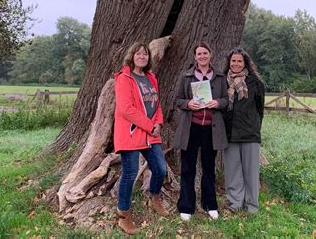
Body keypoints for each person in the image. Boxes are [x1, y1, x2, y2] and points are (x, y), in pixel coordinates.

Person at [114, 42, 168, 235]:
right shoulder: (124, 78)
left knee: (160, 169)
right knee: (130, 173)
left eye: (145, 54)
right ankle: (124, 216)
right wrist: (148, 125)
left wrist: (159, 123)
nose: (142, 57)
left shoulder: (151, 78)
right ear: (132, 56)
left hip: (151, 133)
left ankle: (154, 196)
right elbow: (126, 108)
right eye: (138, 53)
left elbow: (157, 104)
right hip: (131, 132)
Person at [174, 42, 228, 221]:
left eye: (205, 53)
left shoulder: (220, 76)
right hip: (191, 128)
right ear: (195, 57)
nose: (202, 56)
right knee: (188, 168)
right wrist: (188, 104)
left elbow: (227, 100)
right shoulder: (186, 76)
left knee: (209, 168)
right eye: (199, 53)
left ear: (210, 55)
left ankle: (210, 204)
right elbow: (178, 100)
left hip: (211, 129)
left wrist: (218, 103)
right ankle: (186, 207)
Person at [223, 47, 265, 214]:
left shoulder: (255, 83)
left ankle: (252, 206)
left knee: (251, 172)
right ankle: (235, 203)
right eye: (233, 61)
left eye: (239, 61)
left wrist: (254, 125)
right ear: (229, 63)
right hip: (229, 133)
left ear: (245, 63)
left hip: (250, 133)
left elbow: (260, 109)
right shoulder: (223, 82)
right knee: (233, 171)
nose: (236, 64)